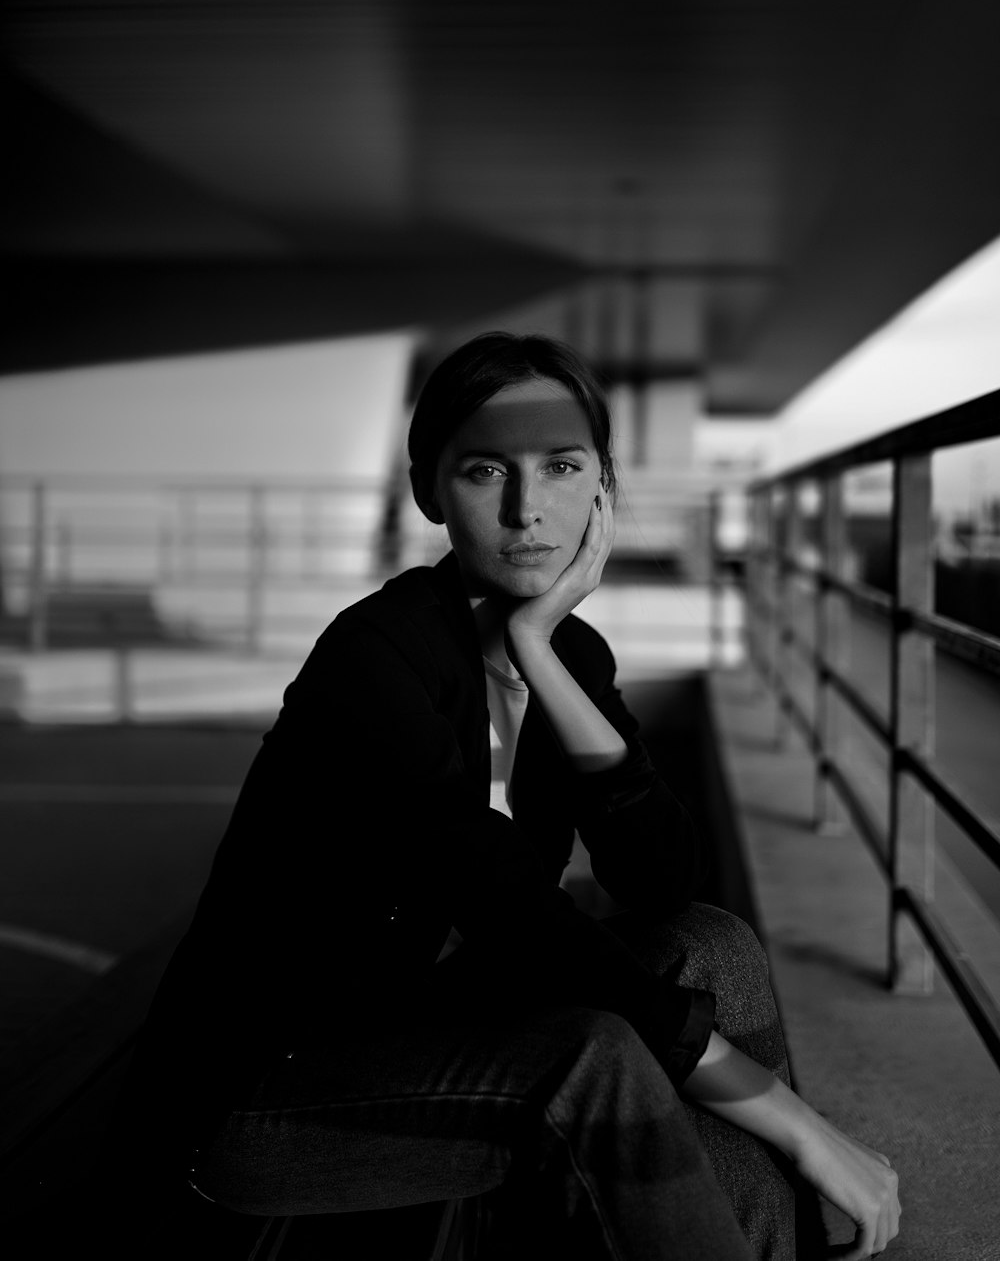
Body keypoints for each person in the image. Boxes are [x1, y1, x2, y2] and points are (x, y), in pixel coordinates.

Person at [108, 332, 900, 1261]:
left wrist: (540, 656)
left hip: (426, 1018)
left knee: (710, 946)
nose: (530, 512)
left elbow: (660, 878)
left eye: (562, 468)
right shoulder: (374, 660)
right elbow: (509, 905)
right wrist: (790, 1116)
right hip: (266, 1098)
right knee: (593, 1059)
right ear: (428, 488)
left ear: (602, 483)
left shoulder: (573, 654)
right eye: (488, 471)